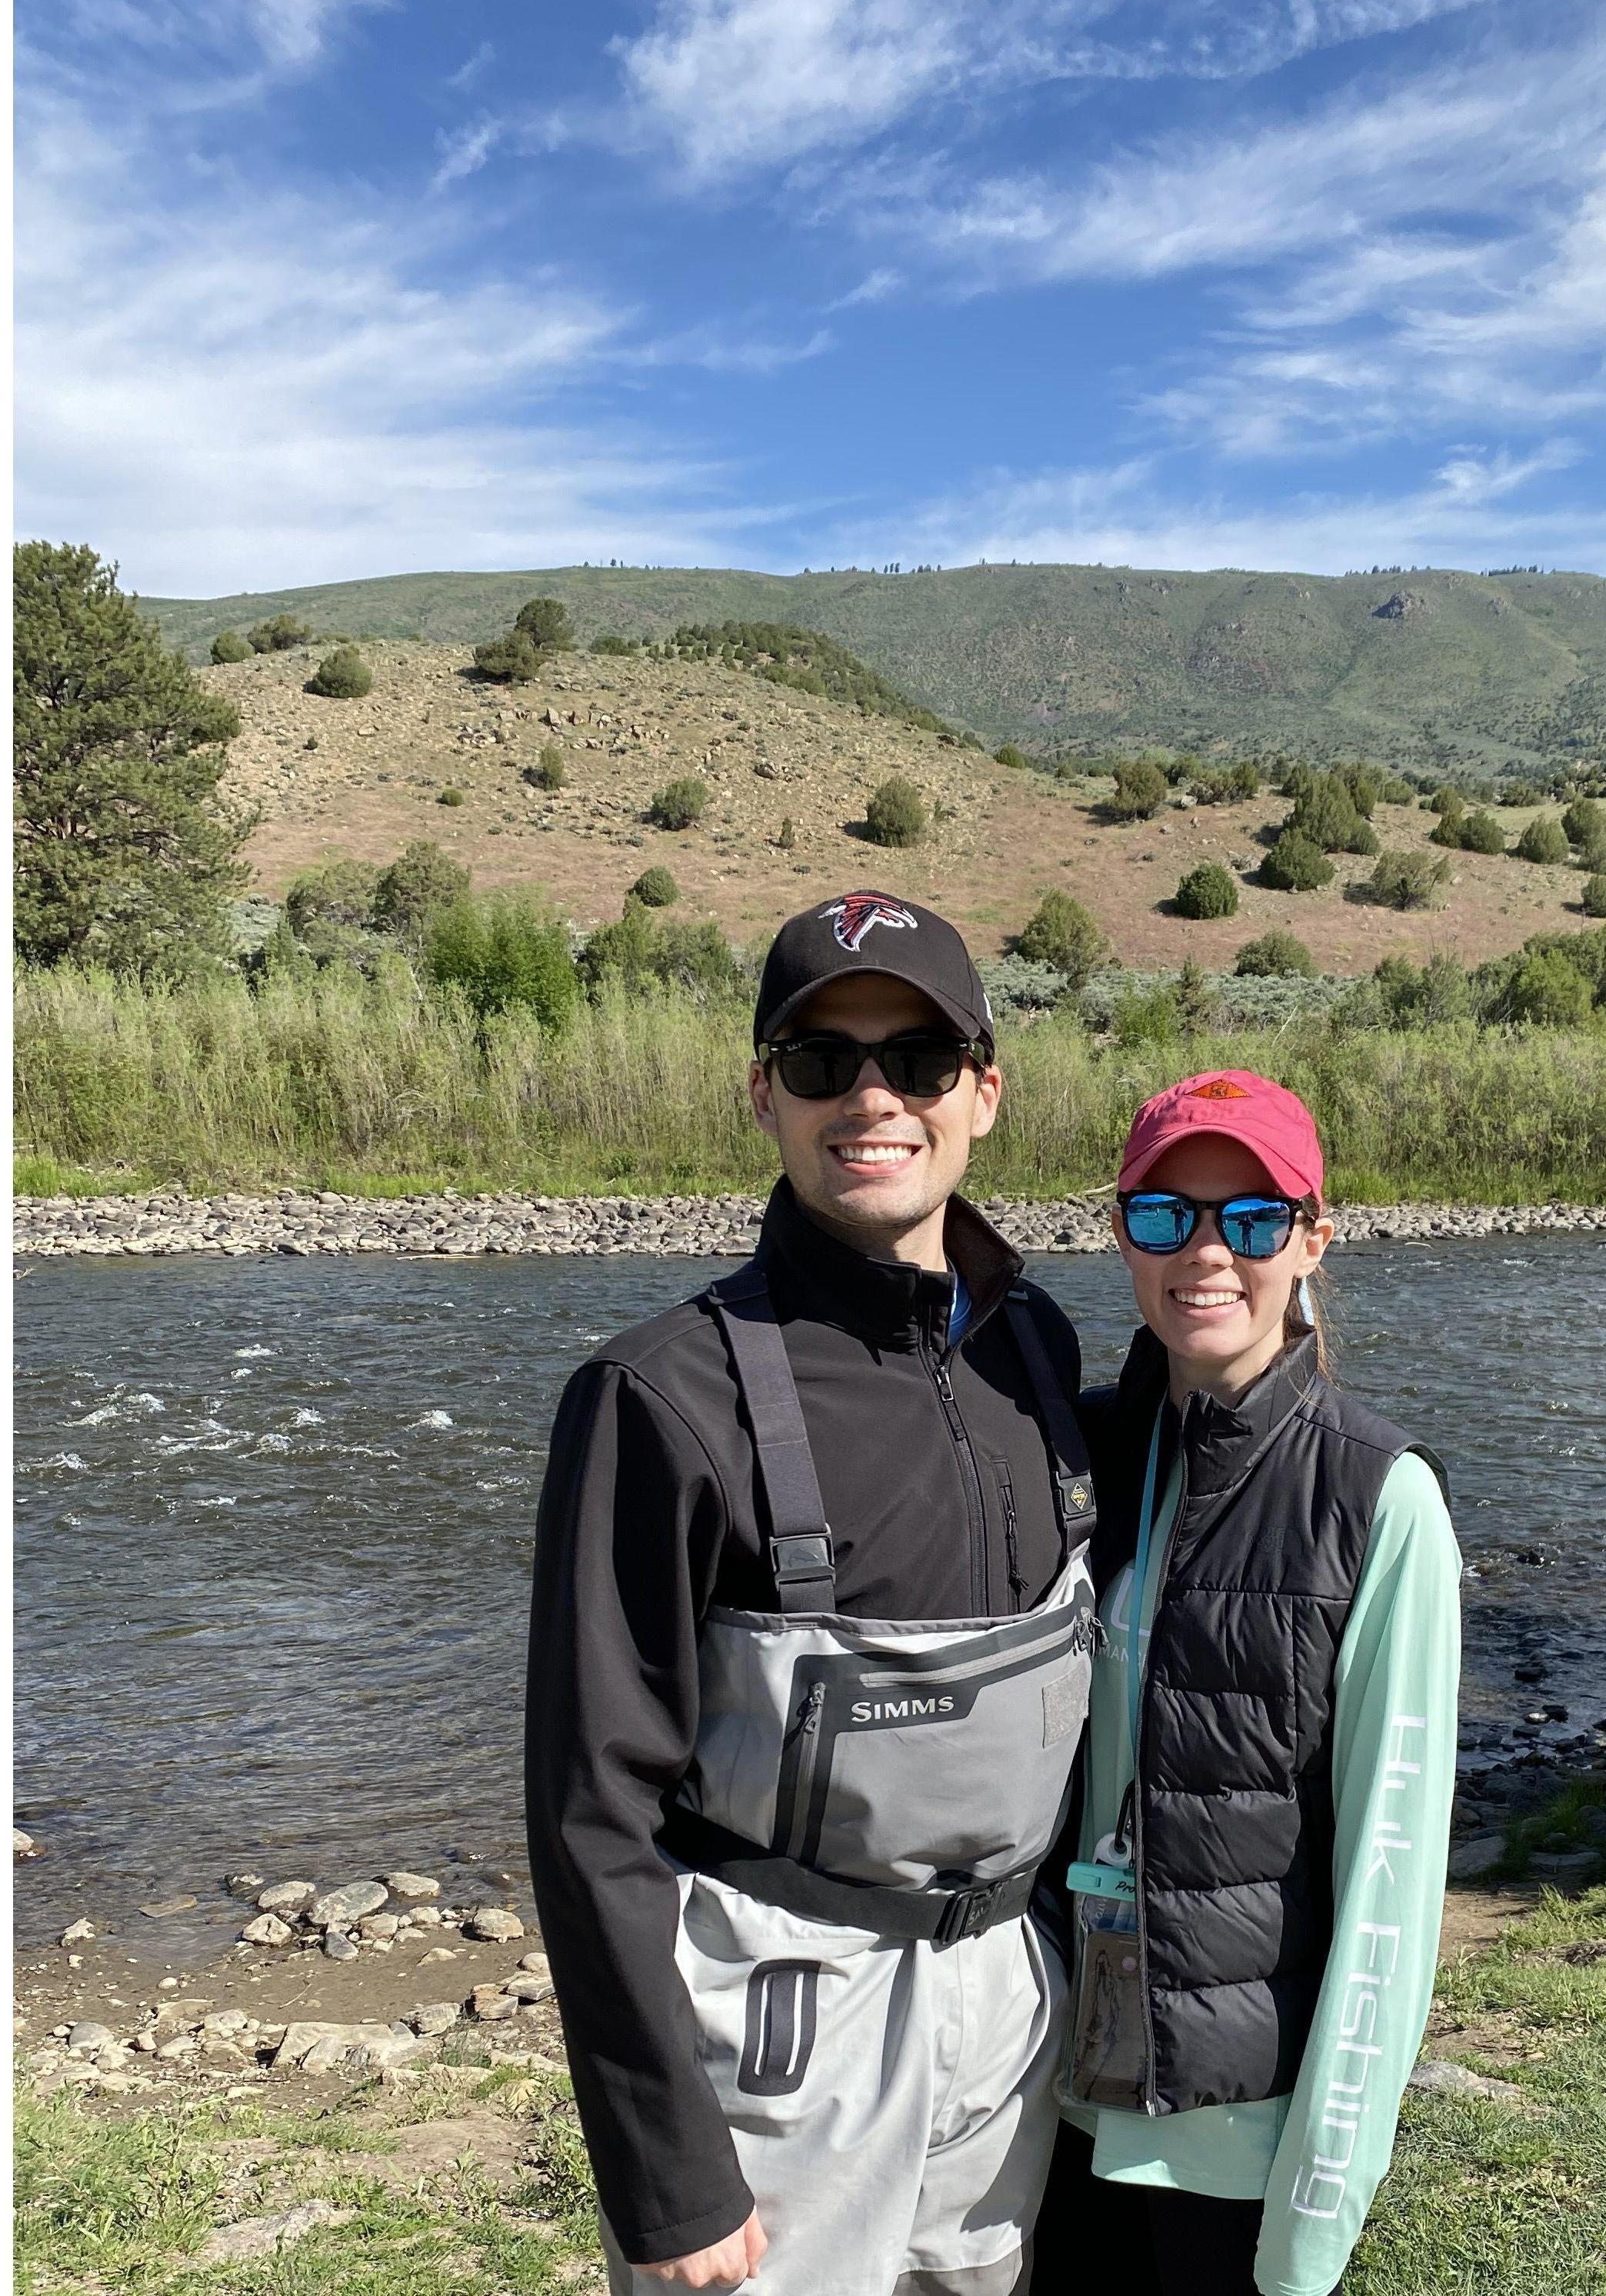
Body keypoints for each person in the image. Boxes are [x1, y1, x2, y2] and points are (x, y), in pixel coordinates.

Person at [525, 890, 1098, 2295]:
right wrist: (667, 2171)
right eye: (820, 1060)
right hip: (780, 2046)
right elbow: (588, 1811)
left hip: (1016, 2006)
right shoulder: (656, 1397)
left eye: (915, 1058)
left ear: (983, 1094)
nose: (871, 1096)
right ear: (763, 1096)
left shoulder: (1038, 1343)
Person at [1031, 1068, 1461, 2296]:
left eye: (1253, 1217)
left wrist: (1322, 2192)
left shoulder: (1382, 1500)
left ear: (1312, 1238)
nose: (1207, 1249)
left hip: (1234, 2134)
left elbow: (1390, 1880)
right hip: (1053, 2098)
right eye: (1166, 1213)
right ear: (1121, 1231)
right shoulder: (1078, 1451)